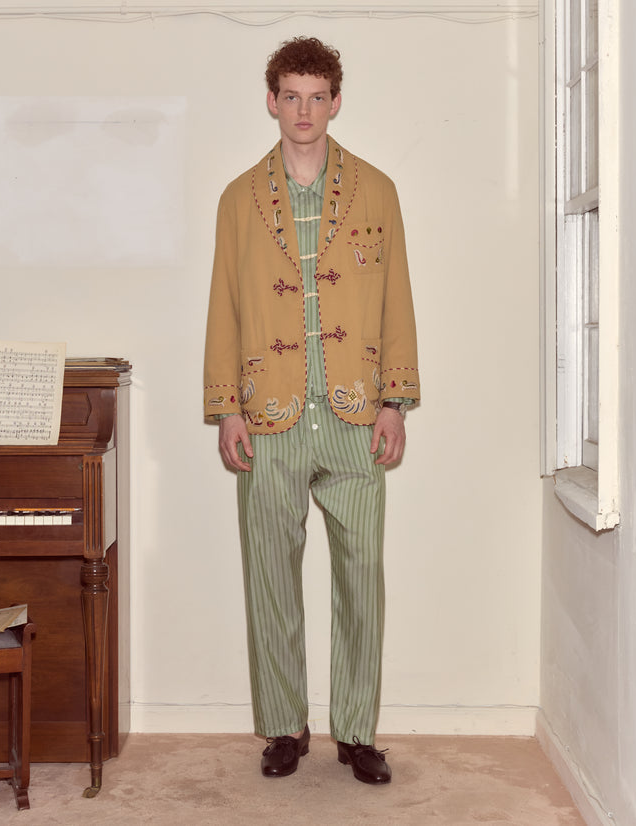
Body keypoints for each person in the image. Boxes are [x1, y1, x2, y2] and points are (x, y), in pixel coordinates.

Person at [203, 36, 419, 784]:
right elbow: (224, 309)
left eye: (315, 95)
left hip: (357, 417)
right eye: (289, 95)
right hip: (268, 419)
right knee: (270, 575)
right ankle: (284, 727)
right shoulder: (238, 199)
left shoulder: (377, 190)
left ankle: (357, 731)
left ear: (335, 101)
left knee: (363, 577)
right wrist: (226, 409)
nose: (302, 109)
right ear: (271, 101)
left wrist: (395, 400)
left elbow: (397, 301)